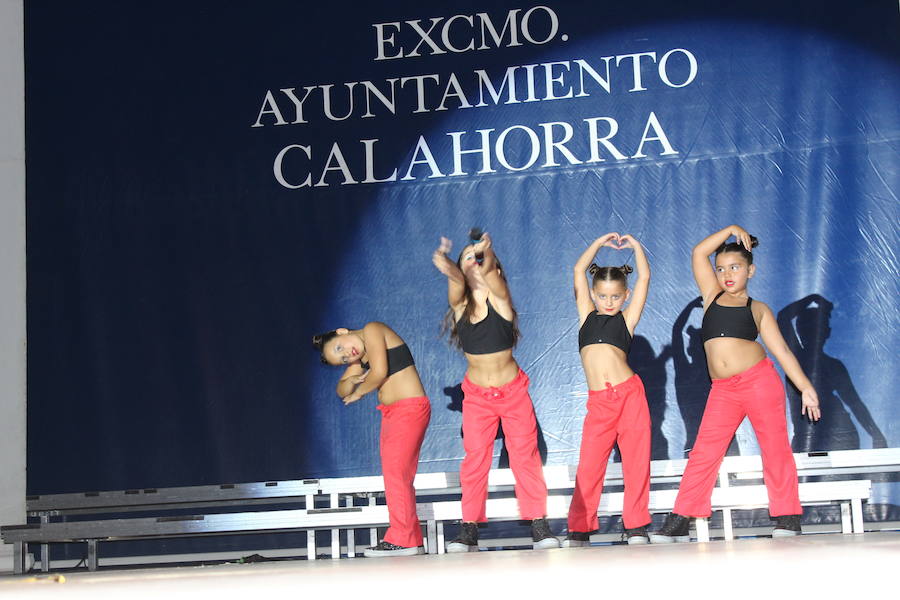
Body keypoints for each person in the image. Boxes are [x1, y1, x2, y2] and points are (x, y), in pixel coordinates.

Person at [651, 225, 821, 542]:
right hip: (723, 390)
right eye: (721, 268)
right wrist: (730, 229)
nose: (727, 274)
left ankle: (788, 516)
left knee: (775, 448)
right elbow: (698, 252)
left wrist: (806, 388)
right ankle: (681, 518)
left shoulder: (758, 309)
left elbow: (782, 351)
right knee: (704, 452)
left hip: (759, 381)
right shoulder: (712, 296)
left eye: (735, 267)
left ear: (750, 270)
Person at [432, 231, 559, 552]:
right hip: (476, 396)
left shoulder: (501, 300)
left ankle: (539, 524)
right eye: (467, 260)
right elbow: (455, 284)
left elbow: (491, 276)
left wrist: (484, 254)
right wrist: (447, 263)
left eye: (479, 260)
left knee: (524, 456)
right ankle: (469, 527)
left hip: (513, 392)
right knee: (475, 459)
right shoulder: (460, 305)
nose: (473, 265)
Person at [312, 322, 431, 557]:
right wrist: (351, 380)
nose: (347, 355)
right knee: (395, 475)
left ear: (342, 332)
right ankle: (411, 538)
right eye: (343, 360)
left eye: (339, 349)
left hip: (409, 409)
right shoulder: (359, 356)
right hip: (392, 414)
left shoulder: (373, 329)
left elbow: (379, 372)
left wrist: (359, 392)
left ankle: (403, 538)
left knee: (396, 475)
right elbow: (340, 390)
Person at [565, 233, 652, 547]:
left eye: (615, 296)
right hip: (600, 403)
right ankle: (580, 526)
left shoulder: (627, 321)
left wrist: (637, 248)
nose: (609, 302)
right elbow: (578, 270)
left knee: (636, 462)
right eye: (603, 296)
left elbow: (645, 277)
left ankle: (637, 525)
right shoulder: (586, 316)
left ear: (625, 296)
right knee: (589, 466)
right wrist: (599, 243)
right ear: (593, 293)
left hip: (630, 396)